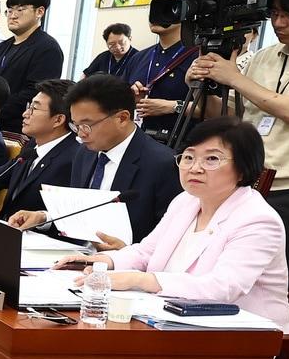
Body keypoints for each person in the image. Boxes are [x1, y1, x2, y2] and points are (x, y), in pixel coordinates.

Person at [56, 118, 289, 359]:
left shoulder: (257, 219)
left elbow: (224, 288)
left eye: (212, 159)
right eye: (189, 157)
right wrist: (105, 261)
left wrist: (140, 280)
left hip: (251, 348)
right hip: (176, 330)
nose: (195, 167)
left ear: (242, 169)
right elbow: (147, 251)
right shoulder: (186, 201)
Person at [187, 0, 289, 288]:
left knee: (276, 284)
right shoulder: (266, 56)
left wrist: (234, 77)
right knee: (225, 279)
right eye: (274, 13)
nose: (279, 23)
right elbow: (232, 115)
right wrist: (199, 84)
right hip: (248, 184)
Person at [10, 74, 181, 245]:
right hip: (74, 256)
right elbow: (83, 212)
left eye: (87, 125)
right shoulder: (84, 153)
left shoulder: (161, 164)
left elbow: (169, 239)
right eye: (75, 125)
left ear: (121, 118)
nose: (80, 133)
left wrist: (126, 252)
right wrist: (44, 217)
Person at [0, 79, 82, 218]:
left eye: (34, 109)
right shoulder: (32, 146)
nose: (25, 114)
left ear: (58, 120)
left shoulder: (74, 159)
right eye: (29, 106)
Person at [126, 0, 197, 141]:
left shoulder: (201, 56)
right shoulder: (139, 57)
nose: (157, 14)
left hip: (184, 147)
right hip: (141, 143)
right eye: (154, 7)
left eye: (166, 7)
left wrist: (173, 107)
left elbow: (218, 111)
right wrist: (132, 98)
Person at [0, 0, 64, 133]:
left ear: (40, 12)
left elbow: (33, 93)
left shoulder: (47, 48)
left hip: (16, 129)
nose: (12, 16)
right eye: (9, 10)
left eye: (20, 10)